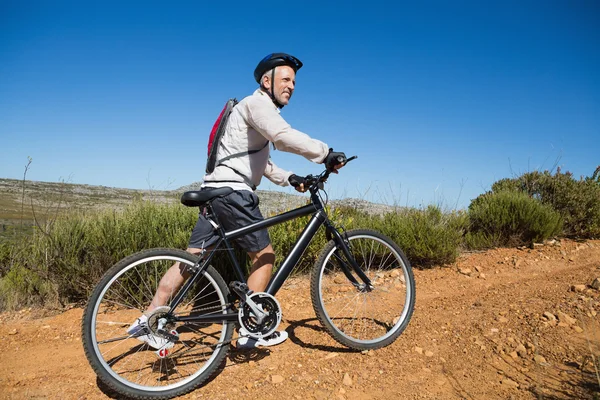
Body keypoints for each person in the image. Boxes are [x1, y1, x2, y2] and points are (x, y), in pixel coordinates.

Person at [128, 53, 346, 350]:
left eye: (294, 82)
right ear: (266, 81)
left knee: (192, 259)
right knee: (264, 256)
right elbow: (282, 137)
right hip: (234, 194)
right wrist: (326, 153)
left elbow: (261, 164)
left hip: (215, 191)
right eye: (285, 79)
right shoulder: (257, 104)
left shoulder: (247, 110)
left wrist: (292, 178)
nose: (292, 86)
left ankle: (151, 318)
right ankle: (252, 330)